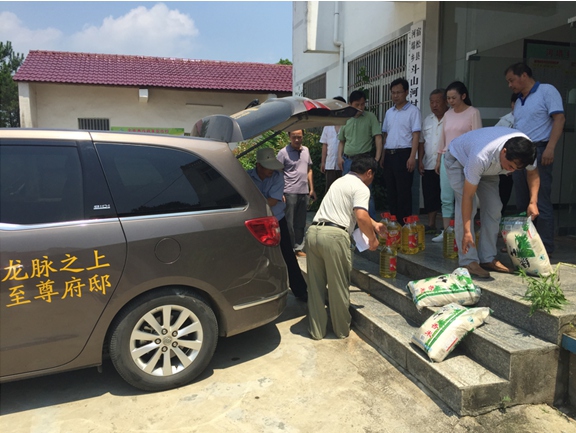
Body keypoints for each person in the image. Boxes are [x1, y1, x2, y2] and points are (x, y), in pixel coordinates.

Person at [305, 155, 385, 340]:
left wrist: (374, 224)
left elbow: (351, 209)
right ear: (369, 173)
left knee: (315, 286)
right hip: (334, 238)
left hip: (313, 233)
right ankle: (341, 330)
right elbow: (361, 216)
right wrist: (372, 239)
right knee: (338, 285)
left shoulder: (339, 182)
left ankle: (317, 331)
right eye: (372, 176)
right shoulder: (361, 187)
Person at [445, 127, 538, 278]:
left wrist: (533, 201)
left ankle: (487, 258)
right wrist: (467, 232)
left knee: (494, 207)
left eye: (516, 169)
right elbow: (468, 196)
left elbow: (533, 173)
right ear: (504, 152)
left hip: (490, 168)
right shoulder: (481, 156)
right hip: (459, 160)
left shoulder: (526, 151)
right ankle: (468, 261)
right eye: (510, 166)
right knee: (467, 206)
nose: (511, 171)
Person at [504, 62, 566, 255]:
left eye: (512, 80)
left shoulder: (547, 91)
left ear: (524, 75)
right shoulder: (519, 101)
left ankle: (545, 247)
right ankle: (524, 244)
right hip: (519, 153)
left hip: (539, 149)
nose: (510, 85)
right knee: (522, 202)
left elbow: (559, 119)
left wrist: (550, 148)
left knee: (540, 200)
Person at [247, 148, 308, 301]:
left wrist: (252, 203)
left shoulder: (278, 176)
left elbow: (273, 201)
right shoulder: (247, 177)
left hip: (276, 220)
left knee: (287, 254)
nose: (271, 170)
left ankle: (300, 290)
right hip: (255, 222)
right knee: (256, 257)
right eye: (268, 167)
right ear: (259, 165)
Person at [432, 81, 482, 243]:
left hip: (466, 159)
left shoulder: (473, 113)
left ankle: (465, 230)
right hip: (448, 157)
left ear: (463, 96)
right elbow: (443, 138)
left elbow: (477, 138)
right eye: (448, 98)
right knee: (446, 196)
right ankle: (447, 231)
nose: (451, 101)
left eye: (453, 98)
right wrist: (438, 159)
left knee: (464, 197)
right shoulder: (448, 114)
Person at [380, 78, 422, 225]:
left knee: (404, 191)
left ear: (406, 92)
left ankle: (404, 223)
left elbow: (416, 135)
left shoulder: (413, 111)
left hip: (404, 154)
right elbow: (386, 135)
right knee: (391, 191)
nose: (395, 96)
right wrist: (383, 156)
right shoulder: (389, 112)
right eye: (393, 93)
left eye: (398, 92)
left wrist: (412, 157)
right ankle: (393, 223)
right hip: (389, 154)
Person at [337, 90, 382, 219]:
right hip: (348, 161)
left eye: (362, 104)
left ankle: (370, 223)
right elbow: (342, 141)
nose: (360, 107)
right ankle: (347, 223)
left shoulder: (370, 117)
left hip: (364, 161)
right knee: (346, 193)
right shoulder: (345, 119)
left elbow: (378, 137)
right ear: (350, 104)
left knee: (366, 193)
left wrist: (377, 158)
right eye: (357, 104)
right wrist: (339, 157)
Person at [277, 129, 316, 257]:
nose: (297, 139)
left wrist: (311, 189)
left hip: (303, 192)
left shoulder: (306, 150)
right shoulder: (283, 153)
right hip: (289, 192)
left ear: (303, 136)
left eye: (299, 137)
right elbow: (278, 173)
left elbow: (309, 170)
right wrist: (280, 192)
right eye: (294, 137)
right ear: (289, 136)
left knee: (300, 222)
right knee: (289, 223)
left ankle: (298, 248)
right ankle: (288, 248)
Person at [419, 89, 449, 234]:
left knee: (446, 195)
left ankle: (447, 225)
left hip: (447, 164)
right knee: (430, 193)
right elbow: (421, 142)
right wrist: (420, 160)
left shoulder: (451, 118)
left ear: (446, 102)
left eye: (438, 102)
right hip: (429, 163)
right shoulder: (427, 120)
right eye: (432, 102)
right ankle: (431, 224)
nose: (434, 105)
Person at [495, 93, 520, 215]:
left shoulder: (530, 120)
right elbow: (495, 140)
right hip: (505, 163)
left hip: (522, 162)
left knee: (523, 194)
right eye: (515, 103)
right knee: (502, 193)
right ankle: (498, 218)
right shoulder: (504, 120)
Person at [320, 96, 346, 193]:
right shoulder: (328, 125)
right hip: (330, 164)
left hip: (344, 164)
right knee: (330, 191)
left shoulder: (347, 123)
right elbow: (325, 144)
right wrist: (323, 162)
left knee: (343, 191)